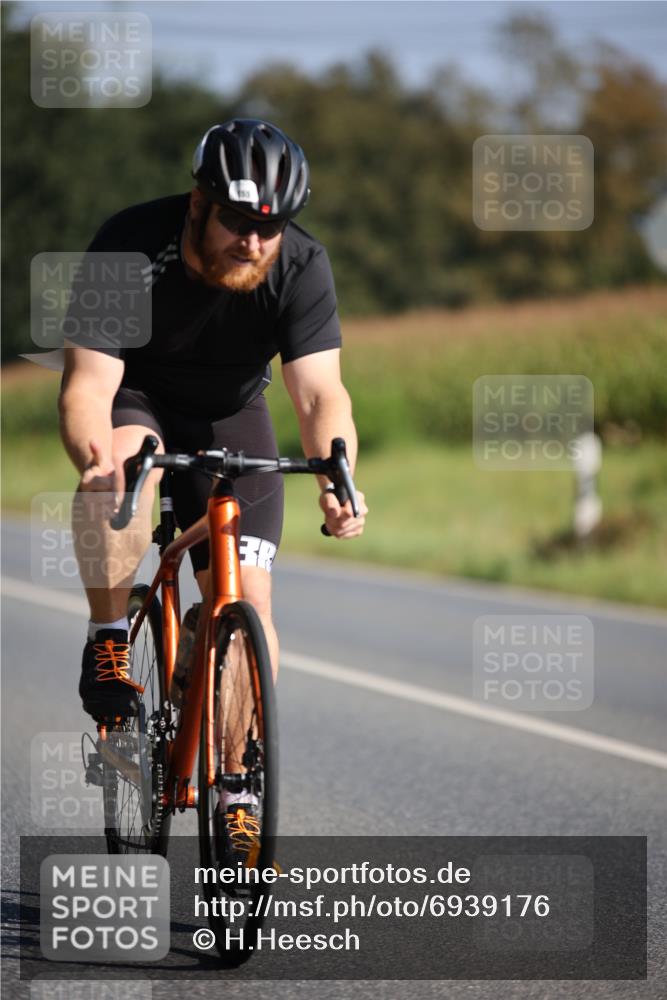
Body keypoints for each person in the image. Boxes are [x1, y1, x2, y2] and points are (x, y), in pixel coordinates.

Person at [58, 119, 367, 849]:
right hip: (136, 394)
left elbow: (320, 395)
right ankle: (109, 638)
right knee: (122, 465)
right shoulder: (131, 243)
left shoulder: (300, 265)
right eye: (237, 221)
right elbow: (87, 386)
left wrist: (338, 475)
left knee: (248, 599)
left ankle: (236, 788)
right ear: (199, 203)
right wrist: (95, 461)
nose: (253, 242)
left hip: (231, 413)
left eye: (270, 227)